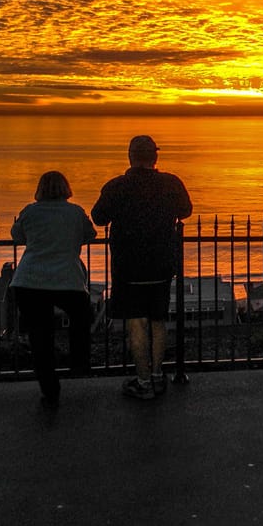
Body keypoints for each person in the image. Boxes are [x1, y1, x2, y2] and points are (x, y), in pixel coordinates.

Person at [91, 135, 193, 399]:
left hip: (128, 266)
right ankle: (158, 376)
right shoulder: (170, 183)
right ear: (155, 157)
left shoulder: (117, 186)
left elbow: (99, 217)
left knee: (136, 323)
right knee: (158, 320)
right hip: (161, 263)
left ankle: (144, 382)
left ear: (130, 157)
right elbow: (186, 210)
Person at [10, 171, 97, 408]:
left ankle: (50, 389)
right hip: (67, 279)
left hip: (30, 281)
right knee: (82, 317)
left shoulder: (30, 211)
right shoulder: (75, 212)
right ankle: (78, 362)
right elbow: (91, 234)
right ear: (65, 188)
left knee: (40, 337)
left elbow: (17, 236)